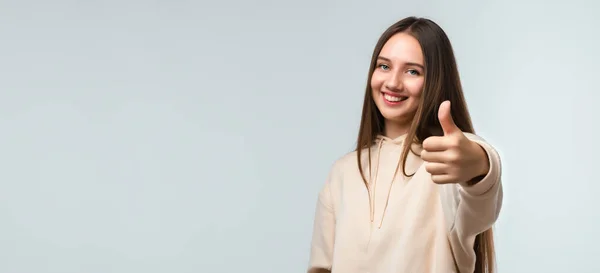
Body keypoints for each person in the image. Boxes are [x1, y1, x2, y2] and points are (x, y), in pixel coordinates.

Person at [307, 16, 503, 273]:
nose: (392, 83)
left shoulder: (445, 166)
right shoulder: (342, 173)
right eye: (384, 66)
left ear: (435, 80)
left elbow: (481, 184)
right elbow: (321, 268)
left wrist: (479, 163)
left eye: (413, 71)